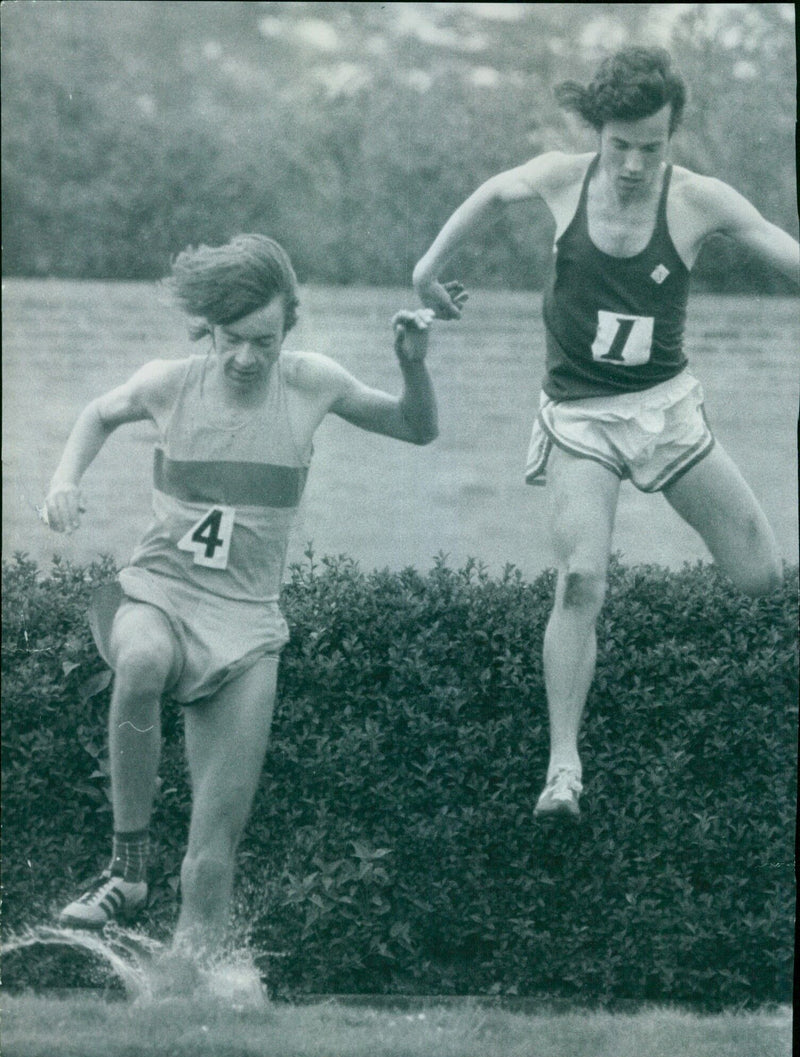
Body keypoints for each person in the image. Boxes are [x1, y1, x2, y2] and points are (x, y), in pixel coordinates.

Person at [45, 233, 459, 957]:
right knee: (139, 661)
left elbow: (418, 429)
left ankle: (190, 992)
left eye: (262, 341)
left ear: (287, 328)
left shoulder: (312, 384)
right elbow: (97, 415)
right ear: (209, 329)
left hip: (245, 626)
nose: (245, 358)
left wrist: (412, 366)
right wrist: (63, 481)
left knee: (209, 866)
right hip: (160, 592)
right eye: (231, 339)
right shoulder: (168, 383)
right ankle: (128, 868)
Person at [413, 47, 799, 820]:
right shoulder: (563, 178)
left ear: (672, 137)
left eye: (650, 148)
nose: (632, 164)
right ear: (599, 134)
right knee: (581, 577)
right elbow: (492, 194)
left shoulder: (698, 200)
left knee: (762, 579)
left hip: (664, 411)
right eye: (619, 145)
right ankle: (563, 769)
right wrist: (426, 271)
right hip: (581, 417)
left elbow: (787, 253)